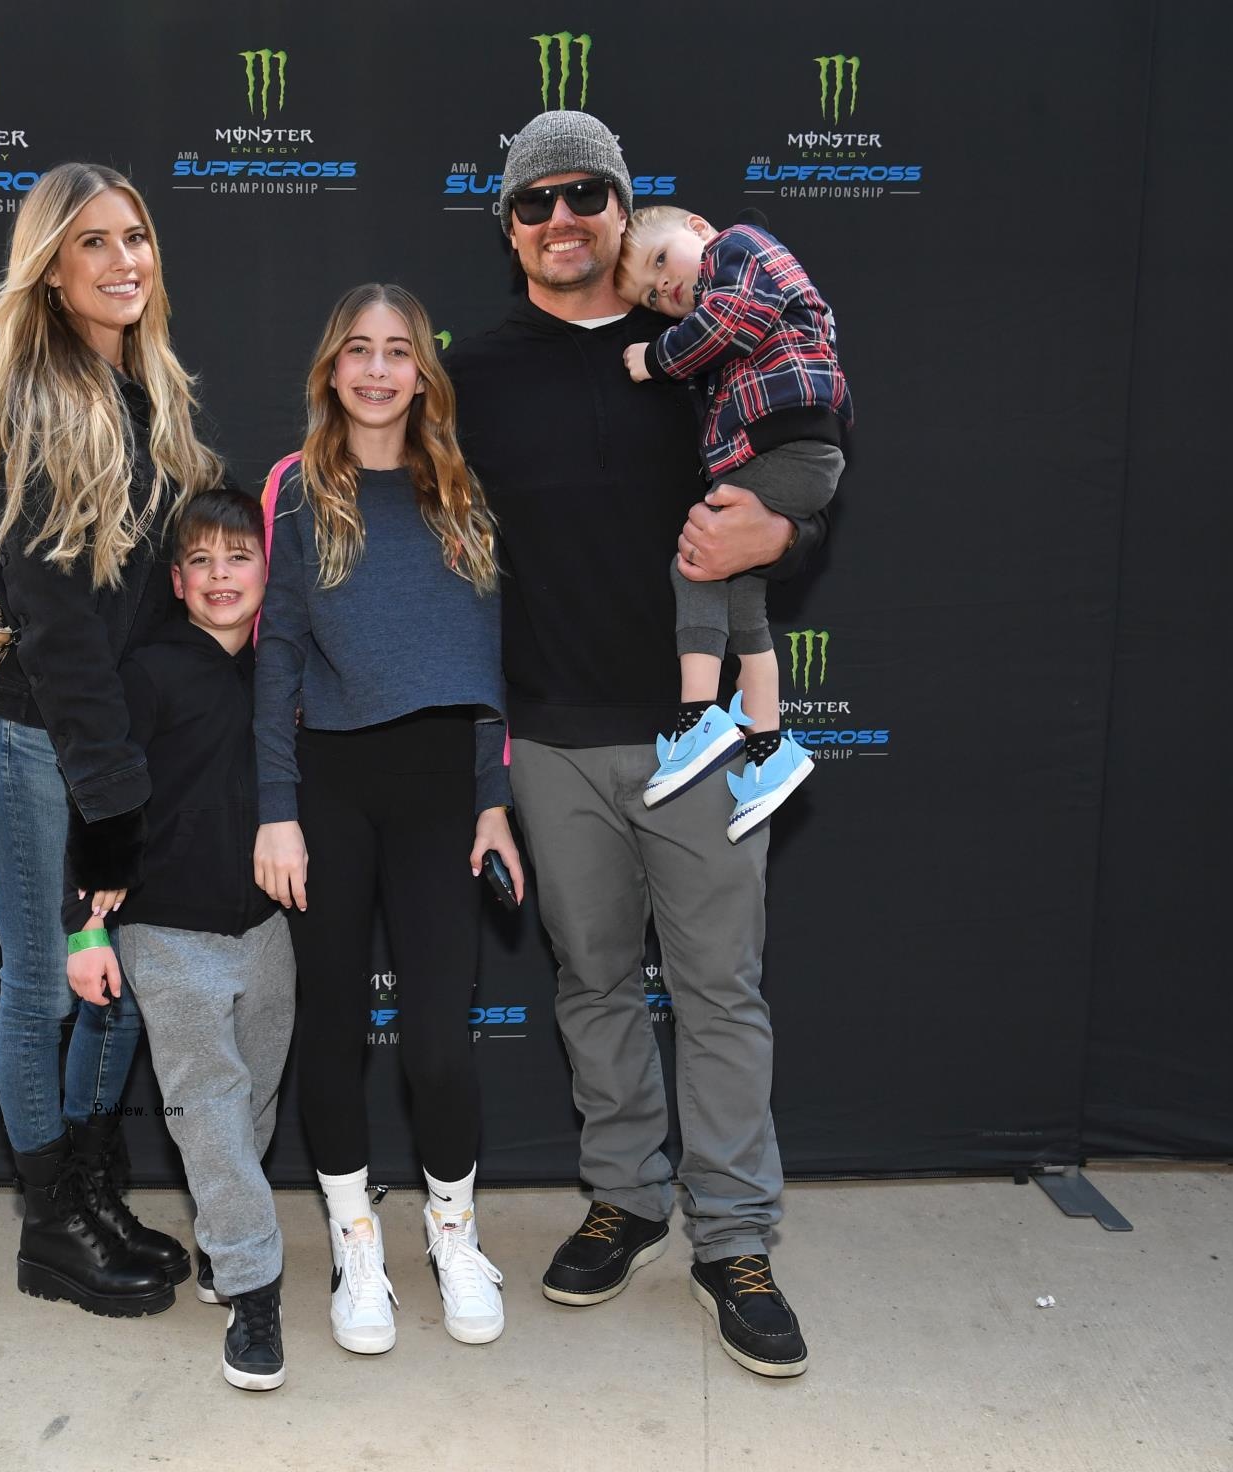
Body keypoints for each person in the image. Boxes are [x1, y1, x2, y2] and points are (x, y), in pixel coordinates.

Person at [445, 111, 827, 1378]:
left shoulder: (698, 342)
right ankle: (627, 1196)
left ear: (626, 209)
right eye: (535, 202)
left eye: (585, 196)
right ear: (509, 228)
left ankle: (735, 1240)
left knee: (722, 989)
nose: (562, 220)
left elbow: (799, 458)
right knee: (593, 984)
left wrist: (783, 536)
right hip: (552, 737)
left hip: (705, 738)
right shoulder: (477, 372)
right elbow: (439, 558)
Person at [0, 161, 225, 1319]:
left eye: (138, 238)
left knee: (109, 987)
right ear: (52, 271)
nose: (126, 261)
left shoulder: (151, 392)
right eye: (94, 245)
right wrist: (114, 788)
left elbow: (152, 600)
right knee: (46, 988)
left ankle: (94, 1186)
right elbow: (60, 626)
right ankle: (48, 1224)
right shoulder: (37, 408)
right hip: (39, 749)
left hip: (117, 747)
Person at [253, 283, 524, 1354]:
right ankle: (355, 1240)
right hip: (327, 781)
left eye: (398, 351)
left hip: (439, 788)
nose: (376, 369)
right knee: (330, 1026)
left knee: (440, 1046)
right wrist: (276, 810)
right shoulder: (294, 488)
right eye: (357, 350)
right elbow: (276, 655)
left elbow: (486, 665)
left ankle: (454, 1234)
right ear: (330, 369)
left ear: (423, 371)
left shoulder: (460, 489)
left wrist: (493, 800)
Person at [68, 488, 295, 1390]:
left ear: (267, 569)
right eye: (199, 562)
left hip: (270, 930)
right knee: (208, 1109)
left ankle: (223, 1239)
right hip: (166, 932)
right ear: (176, 580)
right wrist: (88, 929)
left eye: (236, 557)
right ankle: (254, 1285)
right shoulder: (151, 671)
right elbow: (102, 798)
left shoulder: (285, 668)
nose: (218, 576)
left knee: (254, 1107)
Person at [615, 205, 853, 839]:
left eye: (662, 261)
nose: (665, 289)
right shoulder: (725, 283)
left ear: (696, 227)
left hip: (792, 447)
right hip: (795, 451)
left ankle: (700, 719)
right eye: (651, 294)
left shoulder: (737, 250)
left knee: (695, 559)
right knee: (741, 593)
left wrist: (655, 356)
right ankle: (770, 749)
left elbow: (727, 324)